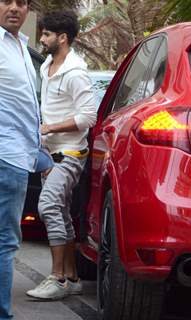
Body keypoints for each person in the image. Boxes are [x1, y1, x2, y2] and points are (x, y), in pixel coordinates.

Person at [26, 10, 97, 300]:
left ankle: (57, 278)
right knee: (63, 212)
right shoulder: (47, 67)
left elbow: (88, 116)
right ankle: (71, 277)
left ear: (63, 38)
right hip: (50, 153)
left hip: (70, 153)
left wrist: (50, 128)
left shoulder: (76, 72)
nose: (42, 39)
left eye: (46, 35)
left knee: (49, 206)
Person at [0, 0, 41, 319]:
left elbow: (23, 106)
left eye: (22, 2)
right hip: (6, 155)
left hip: (19, 156)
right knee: (5, 242)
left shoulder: (19, 45)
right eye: (6, 0)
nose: (15, 8)